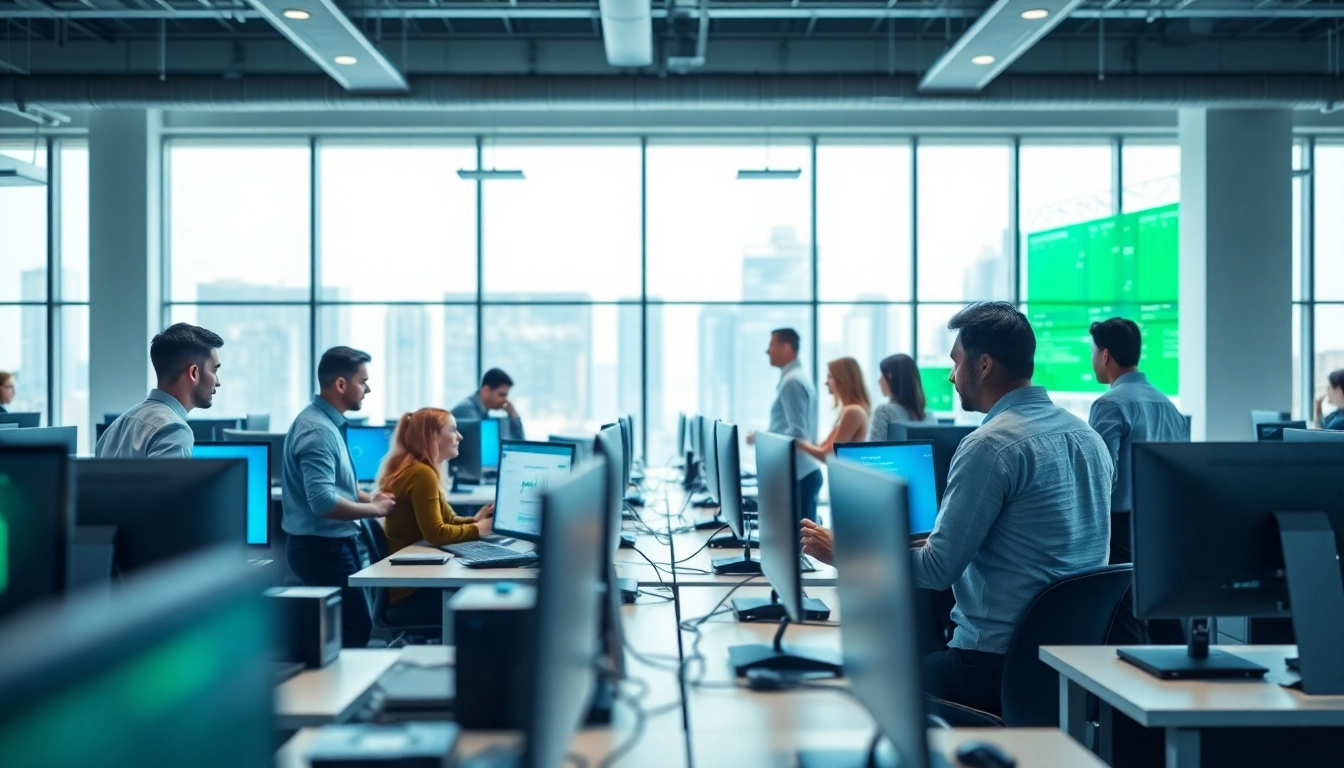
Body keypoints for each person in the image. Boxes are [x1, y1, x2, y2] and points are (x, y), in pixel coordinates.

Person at [802, 302, 1112, 716]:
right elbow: (1040, 538)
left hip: (992, 666)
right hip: (1072, 667)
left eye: (955, 361)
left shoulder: (990, 445)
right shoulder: (1088, 437)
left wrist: (848, 553)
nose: (950, 375)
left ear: (983, 365)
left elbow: (936, 571)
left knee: (863, 671)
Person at [282, 346, 395, 649]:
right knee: (355, 626)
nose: (368, 388)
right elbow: (324, 502)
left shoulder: (326, 423)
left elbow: (338, 485)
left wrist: (370, 497)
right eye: (363, 381)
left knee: (347, 626)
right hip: (322, 549)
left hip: (328, 546)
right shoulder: (318, 431)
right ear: (341, 384)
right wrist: (375, 510)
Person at [378, 408, 495, 625]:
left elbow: (446, 521)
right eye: (452, 430)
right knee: (489, 601)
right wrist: (479, 529)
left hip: (415, 580)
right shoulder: (421, 473)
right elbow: (436, 533)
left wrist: (476, 521)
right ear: (432, 437)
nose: (460, 437)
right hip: (413, 591)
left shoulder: (416, 468)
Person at [1088, 317, 1189, 565]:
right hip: (1164, 524)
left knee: (1121, 602)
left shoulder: (1109, 404)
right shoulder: (1169, 407)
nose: (1092, 359)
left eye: (1093, 351)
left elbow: (1101, 476)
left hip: (1121, 530)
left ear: (1105, 355)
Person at [96, 323, 223, 459]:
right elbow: (170, 481)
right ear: (193, 372)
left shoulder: (116, 427)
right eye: (214, 371)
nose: (217, 382)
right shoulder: (173, 430)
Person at [747, 328, 823, 522]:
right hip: (802, 473)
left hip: (800, 475)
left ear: (787, 347)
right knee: (799, 546)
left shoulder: (792, 381)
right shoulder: (796, 377)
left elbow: (797, 432)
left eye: (771, 344)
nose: (767, 351)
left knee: (801, 547)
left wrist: (761, 439)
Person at [796, 357, 872, 460]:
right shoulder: (853, 410)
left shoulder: (853, 411)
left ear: (843, 379)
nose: (826, 383)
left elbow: (828, 455)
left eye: (830, 377)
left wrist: (797, 443)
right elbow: (824, 448)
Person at [867, 353, 938, 441]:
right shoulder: (930, 417)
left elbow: (873, 450)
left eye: (882, 375)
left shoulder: (884, 412)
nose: (879, 381)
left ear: (890, 377)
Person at [452, 368, 524, 440]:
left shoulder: (483, 413)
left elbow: (518, 442)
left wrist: (513, 415)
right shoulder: (466, 412)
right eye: (502, 395)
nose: (506, 400)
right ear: (486, 390)